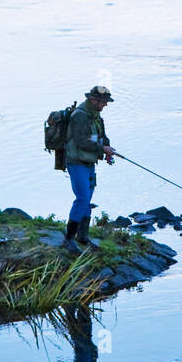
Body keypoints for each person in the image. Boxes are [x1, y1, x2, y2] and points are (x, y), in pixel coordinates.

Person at [62, 85, 116, 254]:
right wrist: (102, 150)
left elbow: (102, 137)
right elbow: (80, 142)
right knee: (82, 198)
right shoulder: (80, 116)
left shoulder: (96, 116)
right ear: (94, 100)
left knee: (88, 198)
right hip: (76, 162)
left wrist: (107, 150)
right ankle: (68, 240)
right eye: (103, 102)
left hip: (89, 162)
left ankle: (83, 237)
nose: (105, 105)